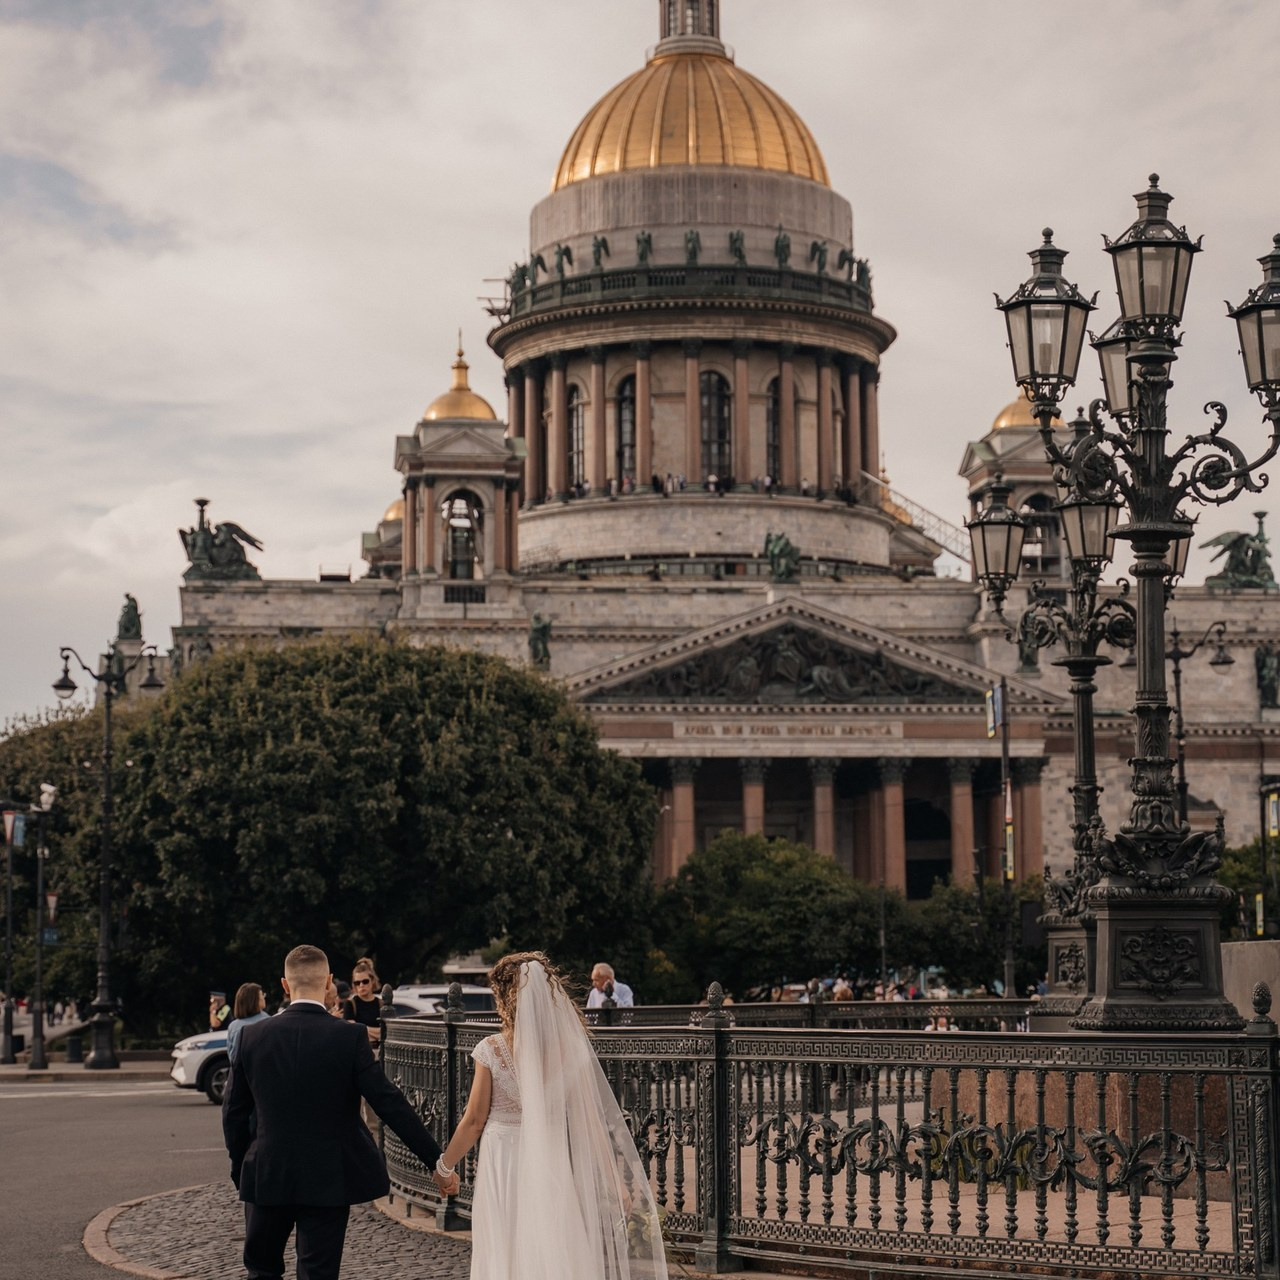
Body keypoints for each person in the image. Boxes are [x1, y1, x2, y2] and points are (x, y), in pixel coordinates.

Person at [222, 944, 456, 1280]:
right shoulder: (349, 1037)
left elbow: (233, 1113)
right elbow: (389, 1102)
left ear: (285, 985)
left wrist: (240, 1167)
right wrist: (437, 1162)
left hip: (267, 1171)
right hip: (327, 1175)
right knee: (319, 1272)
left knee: (261, 1270)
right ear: (329, 981)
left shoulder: (252, 1036)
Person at [437, 952, 667, 1280]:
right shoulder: (570, 1052)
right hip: (550, 1158)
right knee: (555, 1239)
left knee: (506, 1244)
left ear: (503, 997)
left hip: (504, 1159)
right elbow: (591, 1124)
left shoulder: (491, 1049)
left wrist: (444, 1167)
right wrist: (617, 1182)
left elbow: (474, 1120)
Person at [226, 982, 269, 1065]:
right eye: (262, 995)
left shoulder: (233, 1027)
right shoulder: (268, 1021)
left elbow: (232, 1058)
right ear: (254, 1000)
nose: (264, 997)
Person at [342, 958, 382, 1047]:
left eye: (365, 981)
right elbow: (352, 1031)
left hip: (379, 1051)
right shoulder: (350, 1004)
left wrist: (363, 1029)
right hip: (359, 1051)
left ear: (372, 981)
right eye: (357, 983)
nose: (361, 985)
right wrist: (378, 1032)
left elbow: (387, 1032)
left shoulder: (381, 1003)